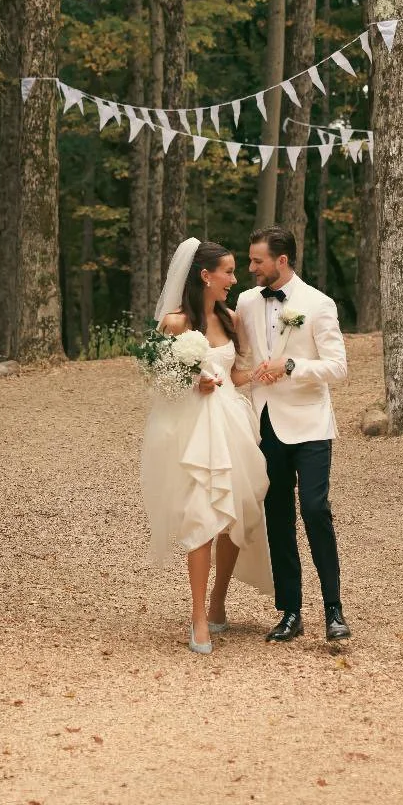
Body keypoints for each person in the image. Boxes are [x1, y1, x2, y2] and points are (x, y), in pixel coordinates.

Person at [139, 237, 273, 654]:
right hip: (194, 428)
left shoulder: (231, 319)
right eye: (228, 272)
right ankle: (197, 613)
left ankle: (219, 598)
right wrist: (193, 382)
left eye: (235, 271)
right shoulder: (176, 324)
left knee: (237, 513)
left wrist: (260, 375)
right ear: (205, 276)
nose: (234, 279)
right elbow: (157, 380)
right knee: (201, 514)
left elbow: (235, 376)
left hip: (233, 422)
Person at [235, 224, 351, 645]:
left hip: (310, 422)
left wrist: (292, 367)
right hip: (265, 420)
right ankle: (290, 611)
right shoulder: (247, 302)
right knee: (278, 515)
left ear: (281, 261)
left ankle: (334, 609)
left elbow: (338, 367)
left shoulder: (318, 303)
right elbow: (239, 353)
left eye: (257, 261)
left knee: (316, 509)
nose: (250, 268)